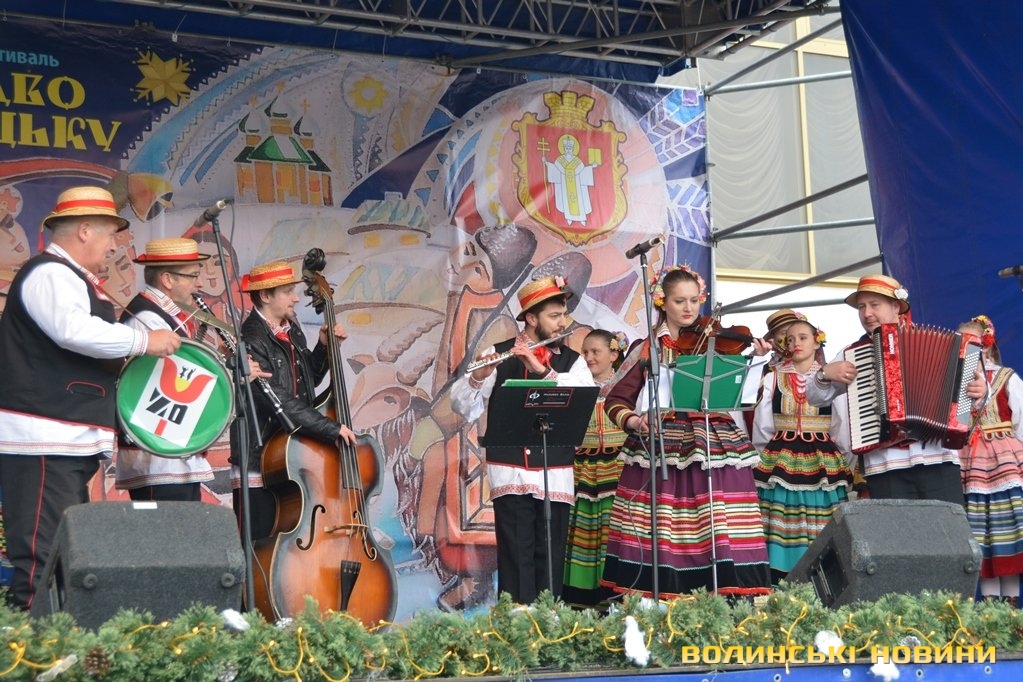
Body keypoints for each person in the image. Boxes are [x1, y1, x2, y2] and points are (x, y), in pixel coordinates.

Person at [0, 186, 180, 610]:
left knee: (62, 559)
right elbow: (73, 330)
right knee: (41, 562)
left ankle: (54, 643)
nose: (114, 246)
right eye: (110, 234)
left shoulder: (70, 277)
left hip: (61, 439)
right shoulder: (51, 273)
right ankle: (31, 646)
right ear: (84, 230)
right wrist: (143, 341)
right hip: (43, 437)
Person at [601, 265, 771, 598]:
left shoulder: (718, 342)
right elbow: (616, 400)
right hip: (664, 441)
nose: (689, 308)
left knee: (721, 518)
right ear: (663, 302)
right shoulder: (648, 347)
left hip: (715, 440)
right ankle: (661, 594)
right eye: (680, 301)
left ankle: (727, 594)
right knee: (665, 521)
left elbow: (742, 397)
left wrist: (757, 366)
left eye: (694, 300)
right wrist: (635, 421)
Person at [451, 275, 594, 604]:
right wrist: (477, 378)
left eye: (563, 315)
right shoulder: (498, 354)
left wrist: (542, 371)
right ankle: (517, 623)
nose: (562, 323)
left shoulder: (573, 362)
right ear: (531, 318)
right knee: (516, 553)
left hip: (554, 471)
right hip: (511, 469)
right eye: (554, 316)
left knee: (550, 552)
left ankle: (550, 621)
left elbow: (581, 398)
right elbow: (463, 407)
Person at [808, 274, 986, 503]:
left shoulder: (938, 343)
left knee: (949, 523)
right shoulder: (852, 354)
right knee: (896, 527)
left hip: (937, 458)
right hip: (885, 465)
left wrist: (980, 390)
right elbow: (815, 397)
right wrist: (824, 374)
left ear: (896, 307)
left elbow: (975, 391)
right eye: (861, 307)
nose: (866, 313)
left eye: (874, 305)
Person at [115, 238, 270, 501]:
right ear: (167, 279)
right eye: (193, 276)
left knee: (186, 526)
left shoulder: (167, 314)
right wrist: (235, 375)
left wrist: (220, 359)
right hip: (158, 458)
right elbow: (174, 384)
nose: (199, 284)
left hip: (173, 455)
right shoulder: (148, 318)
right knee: (163, 526)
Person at [233, 259, 357, 539]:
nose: (296, 297)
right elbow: (276, 397)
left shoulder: (291, 328)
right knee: (260, 541)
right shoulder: (251, 338)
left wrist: (323, 348)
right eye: (288, 291)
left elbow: (307, 381)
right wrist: (329, 428)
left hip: (291, 454)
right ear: (265, 296)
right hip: (263, 457)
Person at [752, 317, 853, 582]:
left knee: (822, 518)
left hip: (821, 458)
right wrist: (764, 460)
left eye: (803, 337)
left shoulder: (831, 376)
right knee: (780, 515)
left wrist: (840, 459)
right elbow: (763, 426)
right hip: (781, 457)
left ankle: (825, 577)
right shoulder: (773, 378)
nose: (796, 343)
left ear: (817, 342)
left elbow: (841, 424)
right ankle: (780, 578)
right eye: (790, 339)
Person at [957, 315, 1023, 605]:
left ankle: (1010, 605)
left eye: (969, 343)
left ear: (985, 346)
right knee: (980, 536)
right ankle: (989, 607)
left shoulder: (1006, 377)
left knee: (1006, 534)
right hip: (970, 464)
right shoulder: (957, 382)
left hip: (1004, 464)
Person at [562, 329, 629, 608]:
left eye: (595, 352)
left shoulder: (628, 388)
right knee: (585, 532)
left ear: (613, 354)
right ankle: (584, 599)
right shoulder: (577, 386)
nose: (588, 357)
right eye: (585, 352)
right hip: (584, 470)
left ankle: (618, 596)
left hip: (618, 469)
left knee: (616, 532)